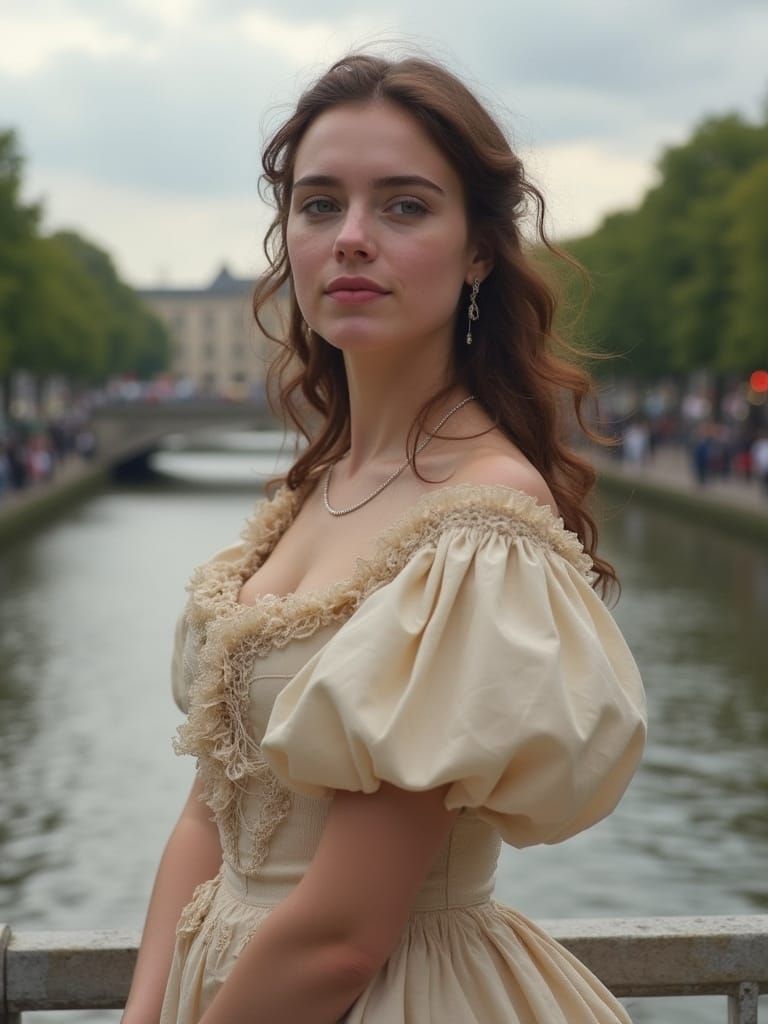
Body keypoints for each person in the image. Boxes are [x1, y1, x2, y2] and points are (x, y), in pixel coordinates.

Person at [122, 52, 646, 1024]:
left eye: (404, 206)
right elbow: (208, 812)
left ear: (478, 250)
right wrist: (144, 1010)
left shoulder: (483, 520)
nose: (352, 238)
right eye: (320, 205)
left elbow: (342, 940)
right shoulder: (312, 489)